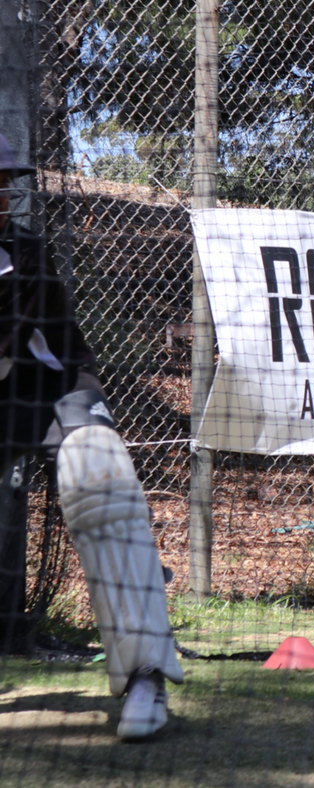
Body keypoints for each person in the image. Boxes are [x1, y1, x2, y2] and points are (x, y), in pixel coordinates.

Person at [0, 134, 181, 737]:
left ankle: (145, 677)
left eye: (3, 184)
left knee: (102, 479)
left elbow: (64, 352)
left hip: (42, 394)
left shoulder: (22, 255)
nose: (1, 196)